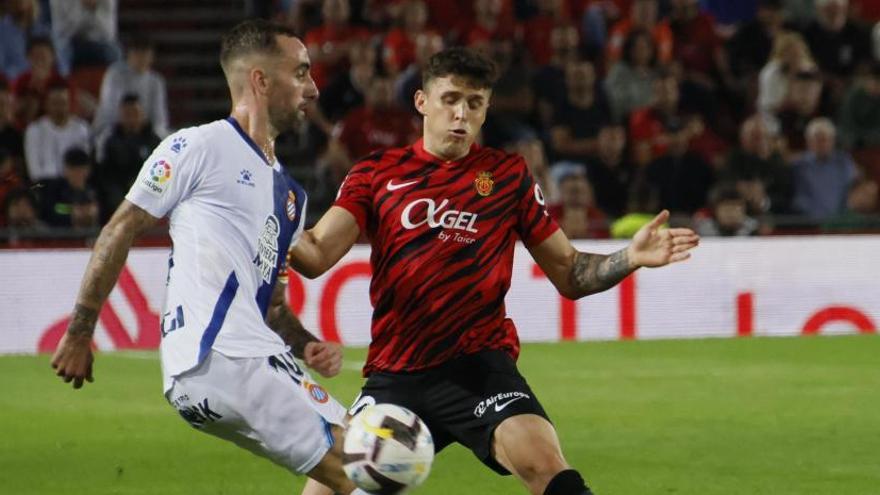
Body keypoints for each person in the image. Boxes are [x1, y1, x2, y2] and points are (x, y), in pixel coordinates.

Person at [294, 47, 699, 495]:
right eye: (450, 99)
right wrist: (266, 221)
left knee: (546, 465)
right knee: (324, 490)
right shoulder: (377, 173)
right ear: (422, 102)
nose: (461, 114)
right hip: (396, 374)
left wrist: (630, 257)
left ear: (486, 110)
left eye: (474, 103)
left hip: (479, 368)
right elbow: (314, 255)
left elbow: (570, 272)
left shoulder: (506, 176)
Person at [49, 20, 371, 495]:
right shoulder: (198, 146)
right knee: (372, 470)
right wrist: (80, 330)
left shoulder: (289, 195)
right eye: (301, 73)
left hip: (251, 355)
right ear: (260, 80)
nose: (314, 88)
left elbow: (273, 306)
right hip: (220, 356)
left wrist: (305, 344)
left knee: (357, 459)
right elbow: (120, 227)